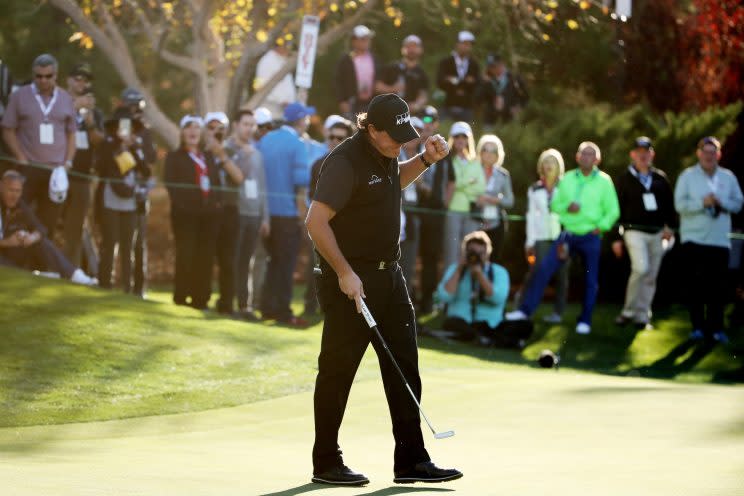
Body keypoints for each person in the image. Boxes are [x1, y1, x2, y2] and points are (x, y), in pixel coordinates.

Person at [306, 93, 461, 485]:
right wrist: (343, 272)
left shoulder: (387, 153)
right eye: (392, 136)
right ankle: (326, 461)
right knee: (338, 372)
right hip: (350, 282)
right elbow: (316, 222)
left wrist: (425, 160)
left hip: (390, 277)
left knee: (405, 366)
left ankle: (411, 460)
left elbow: (392, 184)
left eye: (404, 135)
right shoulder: (344, 162)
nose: (399, 142)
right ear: (370, 129)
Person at [506, 142, 620, 335]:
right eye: (583, 154)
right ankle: (525, 311)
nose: (586, 157)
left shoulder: (604, 181)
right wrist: (567, 209)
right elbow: (556, 206)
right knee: (544, 269)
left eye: (591, 154)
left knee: (590, 280)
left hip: (591, 236)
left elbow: (613, 211)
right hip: (568, 235)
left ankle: (585, 320)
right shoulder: (567, 179)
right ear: (577, 157)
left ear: (597, 159)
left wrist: (600, 227)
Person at [674, 136, 743, 344]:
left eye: (713, 152)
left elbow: (739, 203)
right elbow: (679, 205)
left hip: (719, 241)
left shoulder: (728, 177)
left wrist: (722, 203)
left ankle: (716, 330)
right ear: (699, 153)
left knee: (718, 289)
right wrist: (701, 203)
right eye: (705, 151)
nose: (709, 155)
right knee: (695, 287)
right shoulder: (687, 176)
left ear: (719, 154)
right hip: (693, 239)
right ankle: (697, 328)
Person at [1, 54, 76, 238]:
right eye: (39, 76)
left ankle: (42, 265)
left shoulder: (66, 98)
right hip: (28, 168)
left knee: (48, 222)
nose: (43, 80)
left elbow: (71, 133)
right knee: (19, 218)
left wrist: (68, 162)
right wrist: (20, 157)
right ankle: (17, 262)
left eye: (48, 76)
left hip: (55, 171)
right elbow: (7, 129)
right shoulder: (20, 96)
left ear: (55, 75)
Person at [256, 102, 312, 326]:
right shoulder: (297, 144)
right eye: (306, 118)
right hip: (288, 213)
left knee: (272, 262)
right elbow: (300, 184)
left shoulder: (265, 140)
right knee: (286, 264)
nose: (307, 122)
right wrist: (303, 216)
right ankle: (283, 311)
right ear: (299, 121)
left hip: (266, 214)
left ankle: (267, 307)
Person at [613, 137, 676, 329]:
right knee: (641, 268)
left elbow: (669, 208)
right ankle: (628, 311)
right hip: (634, 232)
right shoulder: (624, 178)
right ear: (633, 155)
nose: (643, 155)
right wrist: (616, 238)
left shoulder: (660, 178)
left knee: (650, 275)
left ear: (652, 154)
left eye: (646, 151)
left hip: (657, 233)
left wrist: (669, 228)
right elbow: (617, 209)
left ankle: (642, 315)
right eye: (639, 152)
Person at [164, 115, 222, 309]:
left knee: (204, 257)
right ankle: (181, 297)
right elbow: (171, 185)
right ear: (182, 132)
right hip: (184, 215)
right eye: (188, 127)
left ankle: (201, 299)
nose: (193, 131)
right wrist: (186, 206)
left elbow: (216, 184)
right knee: (186, 254)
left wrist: (214, 205)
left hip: (209, 217)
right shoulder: (174, 157)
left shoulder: (208, 157)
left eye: (197, 127)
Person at [0, 169, 96, 284]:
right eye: (11, 190)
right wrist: (7, 242)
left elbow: (40, 228)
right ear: (1, 186)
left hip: (11, 252)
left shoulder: (19, 205)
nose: (15, 195)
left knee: (41, 241)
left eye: (18, 191)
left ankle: (74, 274)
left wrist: (31, 237)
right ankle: (31, 275)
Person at [305, 117, 354, 316]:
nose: (334, 141)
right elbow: (311, 196)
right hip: (322, 225)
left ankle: (338, 311)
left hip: (347, 228)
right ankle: (311, 306)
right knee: (316, 267)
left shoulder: (354, 166)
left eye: (340, 138)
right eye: (331, 137)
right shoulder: (318, 164)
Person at [225, 109, 270, 320]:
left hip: (254, 214)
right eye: (245, 124)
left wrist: (265, 217)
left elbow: (262, 187)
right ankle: (232, 302)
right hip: (235, 212)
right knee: (234, 260)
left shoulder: (257, 152)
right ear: (235, 125)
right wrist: (243, 153)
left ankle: (246, 305)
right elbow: (235, 178)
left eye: (252, 124)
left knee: (248, 261)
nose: (249, 128)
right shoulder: (227, 148)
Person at [97, 118, 151, 292]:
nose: (128, 133)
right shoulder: (108, 146)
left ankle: (127, 287)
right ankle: (105, 284)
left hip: (130, 202)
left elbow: (146, 171)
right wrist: (119, 148)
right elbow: (102, 168)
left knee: (128, 246)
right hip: (111, 200)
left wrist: (134, 149)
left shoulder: (136, 149)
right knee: (110, 242)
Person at [515, 149, 568, 324]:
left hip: (562, 237)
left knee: (562, 275)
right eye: (545, 161)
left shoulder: (566, 186)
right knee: (536, 271)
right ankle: (523, 308)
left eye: (552, 161)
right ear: (541, 166)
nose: (548, 165)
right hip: (541, 238)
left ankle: (558, 313)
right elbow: (531, 217)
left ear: (558, 165)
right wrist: (529, 242)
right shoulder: (534, 188)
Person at [114, 87, 157, 297]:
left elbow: (150, 161)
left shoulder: (145, 131)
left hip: (140, 193)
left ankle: (139, 287)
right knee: (122, 240)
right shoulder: (120, 128)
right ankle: (123, 285)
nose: (135, 112)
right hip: (121, 190)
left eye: (137, 107)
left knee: (139, 242)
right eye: (131, 107)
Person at [436, 230, 510, 345]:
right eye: (472, 252)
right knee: (452, 323)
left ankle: (482, 337)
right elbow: (444, 296)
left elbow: (498, 298)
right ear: (464, 252)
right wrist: (459, 270)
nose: (475, 257)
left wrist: (480, 275)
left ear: (487, 253)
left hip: (489, 324)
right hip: (461, 322)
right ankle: (485, 339)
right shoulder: (455, 269)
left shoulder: (499, 272)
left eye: (480, 253)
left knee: (523, 326)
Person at [63, 63, 104, 269]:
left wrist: (89, 123)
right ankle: (47, 268)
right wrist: (73, 106)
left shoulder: (94, 112)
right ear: (68, 80)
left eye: (85, 80)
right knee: (51, 222)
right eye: (77, 78)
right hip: (59, 173)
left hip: (82, 176)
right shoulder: (58, 102)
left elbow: (99, 141)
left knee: (76, 227)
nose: (81, 83)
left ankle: (72, 270)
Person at [204, 111, 245, 315]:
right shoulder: (201, 152)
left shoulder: (231, 149)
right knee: (205, 256)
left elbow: (238, 178)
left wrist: (221, 155)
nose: (215, 132)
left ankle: (227, 303)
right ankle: (201, 298)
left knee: (228, 259)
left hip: (229, 210)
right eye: (211, 127)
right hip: (207, 211)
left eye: (219, 128)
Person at [416, 106, 447, 314]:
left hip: (434, 212)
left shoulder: (442, 148)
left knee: (430, 257)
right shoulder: (408, 144)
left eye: (431, 119)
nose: (426, 123)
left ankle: (426, 302)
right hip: (412, 209)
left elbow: (448, 181)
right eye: (423, 119)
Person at [442, 121, 485, 268]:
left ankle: (466, 290)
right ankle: (449, 290)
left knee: (470, 253)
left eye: (464, 136)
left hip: (471, 212)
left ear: (469, 139)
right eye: (457, 136)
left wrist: (460, 185)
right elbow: (451, 183)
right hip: (452, 210)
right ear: (452, 138)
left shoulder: (475, 162)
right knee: (451, 253)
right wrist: (469, 182)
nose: (460, 139)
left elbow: (480, 187)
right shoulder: (446, 160)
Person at [399, 116, 426, 303]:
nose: (413, 135)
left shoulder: (425, 155)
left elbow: (431, 190)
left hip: (414, 212)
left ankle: (404, 300)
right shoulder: (395, 152)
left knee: (409, 260)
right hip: (396, 209)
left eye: (417, 131)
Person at [475, 134, 513, 261]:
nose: (489, 154)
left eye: (493, 151)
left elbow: (510, 201)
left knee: (493, 259)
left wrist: (495, 200)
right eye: (486, 150)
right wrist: (477, 200)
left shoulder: (503, 175)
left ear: (498, 154)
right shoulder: (472, 171)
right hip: (474, 222)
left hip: (497, 224)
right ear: (480, 152)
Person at [375, 35, 429, 114]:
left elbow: (423, 95)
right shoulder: (391, 68)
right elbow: (377, 87)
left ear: (421, 50)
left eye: (415, 46)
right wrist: (392, 89)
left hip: (412, 115)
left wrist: (416, 105)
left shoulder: (421, 73)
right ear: (402, 49)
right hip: (390, 112)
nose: (412, 49)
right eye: (409, 46)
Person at [335, 25, 379, 118]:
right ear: (354, 41)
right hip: (351, 103)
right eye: (363, 39)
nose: (366, 41)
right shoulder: (346, 59)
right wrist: (342, 101)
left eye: (368, 39)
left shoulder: (373, 58)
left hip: (370, 102)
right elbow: (338, 82)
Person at [436, 31, 480, 122]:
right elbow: (440, 81)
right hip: (447, 106)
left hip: (466, 107)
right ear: (457, 44)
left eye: (469, 44)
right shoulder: (446, 62)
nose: (466, 47)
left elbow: (477, 83)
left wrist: (452, 80)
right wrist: (464, 82)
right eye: (464, 44)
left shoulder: (474, 65)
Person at [477, 54, 528, 127]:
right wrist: (483, 83)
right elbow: (478, 99)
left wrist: (518, 108)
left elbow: (525, 97)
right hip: (490, 120)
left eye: (494, 66)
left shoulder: (514, 78)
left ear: (502, 64)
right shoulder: (486, 79)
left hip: (508, 120)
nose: (492, 69)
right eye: (490, 67)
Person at [254, 39, 296, 117]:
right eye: (286, 46)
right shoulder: (267, 61)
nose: (288, 49)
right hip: (271, 112)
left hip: (283, 113)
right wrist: (281, 100)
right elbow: (261, 86)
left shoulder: (282, 60)